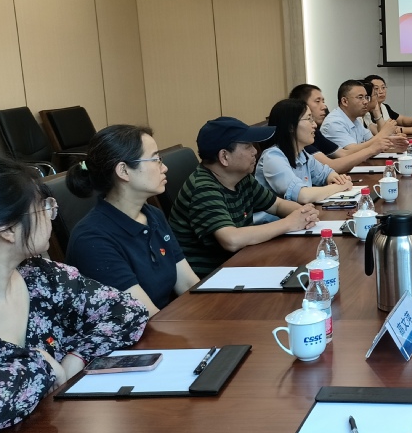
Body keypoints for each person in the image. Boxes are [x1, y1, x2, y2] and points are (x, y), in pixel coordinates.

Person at [0, 157, 148, 433]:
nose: (52, 215)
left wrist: (76, 356)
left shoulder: (40, 276)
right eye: (44, 207)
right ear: (8, 228)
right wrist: (44, 365)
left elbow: (128, 310)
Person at [66, 125, 200, 314]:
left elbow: (187, 283)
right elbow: (146, 316)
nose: (164, 167)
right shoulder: (92, 239)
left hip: (170, 320)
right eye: (155, 159)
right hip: (143, 328)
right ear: (123, 171)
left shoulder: (153, 215)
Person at [168, 116, 320, 276]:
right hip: (210, 278)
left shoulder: (241, 178)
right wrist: (289, 223)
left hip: (240, 263)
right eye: (248, 146)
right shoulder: (203, 188)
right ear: (224, 156)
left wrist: (304, 213)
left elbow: (277, 205)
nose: (255, 151)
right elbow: (231, 240)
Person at [254, 99, 353, 222]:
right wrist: (339, 187)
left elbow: (326, 173)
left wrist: (336, 178)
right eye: (309, 119)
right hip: (272, 226)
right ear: (291, 127)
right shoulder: (273, 157)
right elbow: (303, 195)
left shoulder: (302, 154)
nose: (314, 125)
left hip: (300, 220)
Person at [289, 83, 404, 172]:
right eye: (318, 101)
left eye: (323, 101)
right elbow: (332, 165)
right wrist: (381, 136)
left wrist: (389, 142)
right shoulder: (332, 123)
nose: (324, 106)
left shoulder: (354, 120)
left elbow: (344, 154)